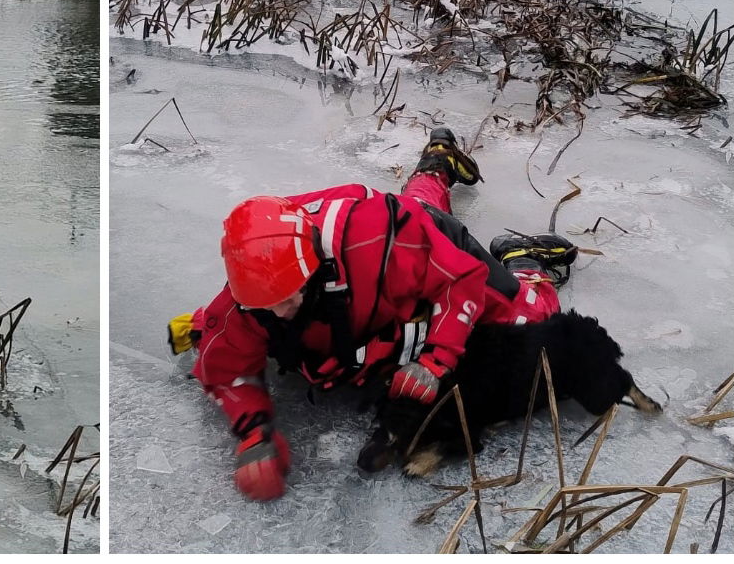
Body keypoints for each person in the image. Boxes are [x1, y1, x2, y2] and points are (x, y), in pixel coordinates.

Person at [177, 128, 579, 502]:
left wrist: (437, 360)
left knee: (536, 320)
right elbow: (226, 371)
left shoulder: (383, 242)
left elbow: (460, 280)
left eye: (287, 297)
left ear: (313, 268)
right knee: (417, 205)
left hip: (427, 241)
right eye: (265, 305)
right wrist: (253, 434)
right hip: (403, 225)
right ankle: (437, 162)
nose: (278, 313)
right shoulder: (246, 299)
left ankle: (524, 260)